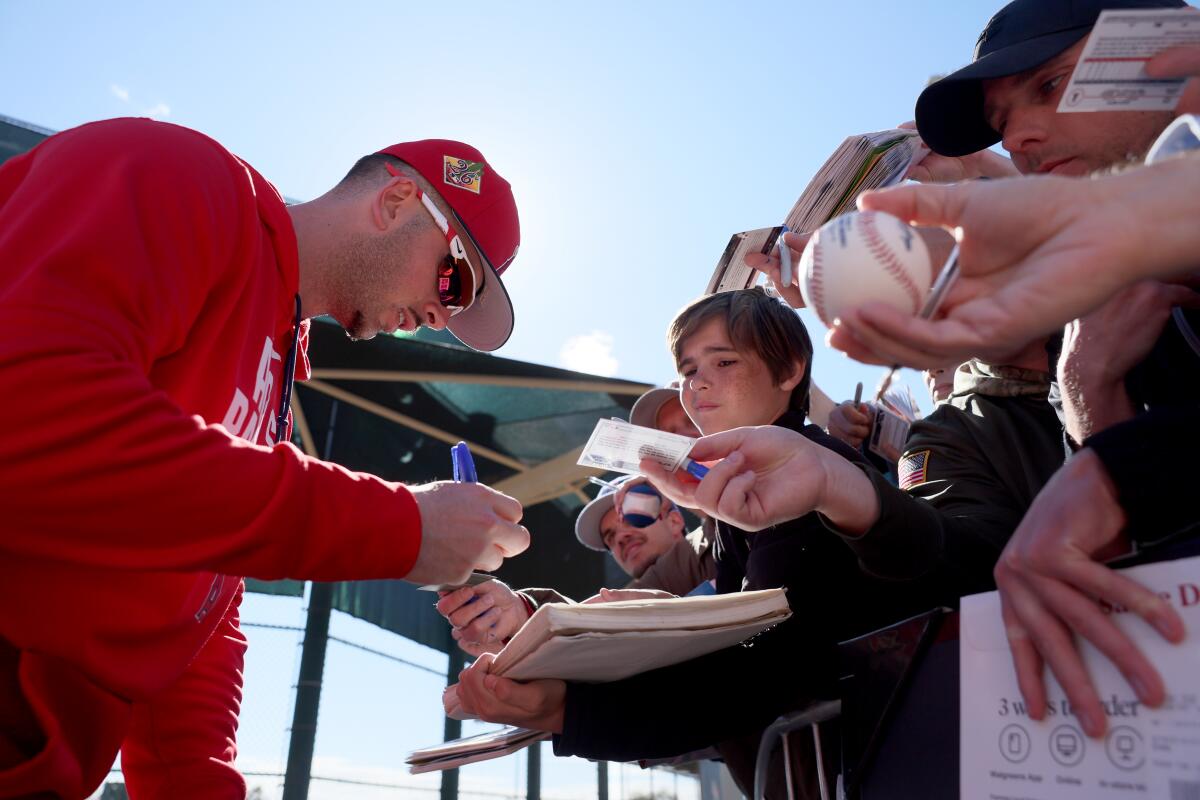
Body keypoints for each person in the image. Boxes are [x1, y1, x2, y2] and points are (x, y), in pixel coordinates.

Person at [0, 118, 531, 798]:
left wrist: (195, 782)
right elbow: (29, 411)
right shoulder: (181, 176)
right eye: (454, 282)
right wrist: (401, 525)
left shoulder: (280, 361)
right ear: (397, 201)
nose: (440, 318)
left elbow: (200, 596)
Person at [448, 289, 932, 800]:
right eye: (687, 370)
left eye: (724, 361)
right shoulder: (738, 507)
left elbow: (762, 672)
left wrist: (568, 710)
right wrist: (555, 635)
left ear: (790, 370)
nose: (697, 383)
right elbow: (738, 644)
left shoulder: (807, 470)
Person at [438, 475, 714, 657]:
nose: (620, 536)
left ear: (675, 520)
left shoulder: (722, 537)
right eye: (609, 536)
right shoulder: (622, 606)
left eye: (633, 517)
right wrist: (524, 621)